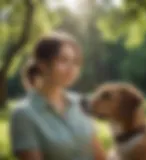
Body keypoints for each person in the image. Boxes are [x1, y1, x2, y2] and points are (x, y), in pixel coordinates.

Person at [10, 32, 106, 160]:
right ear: (42, 65)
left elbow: (99, 156)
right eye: (63, 60)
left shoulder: (82, 103)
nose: (72, 68)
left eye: (76, 62)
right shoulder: (23, 114)